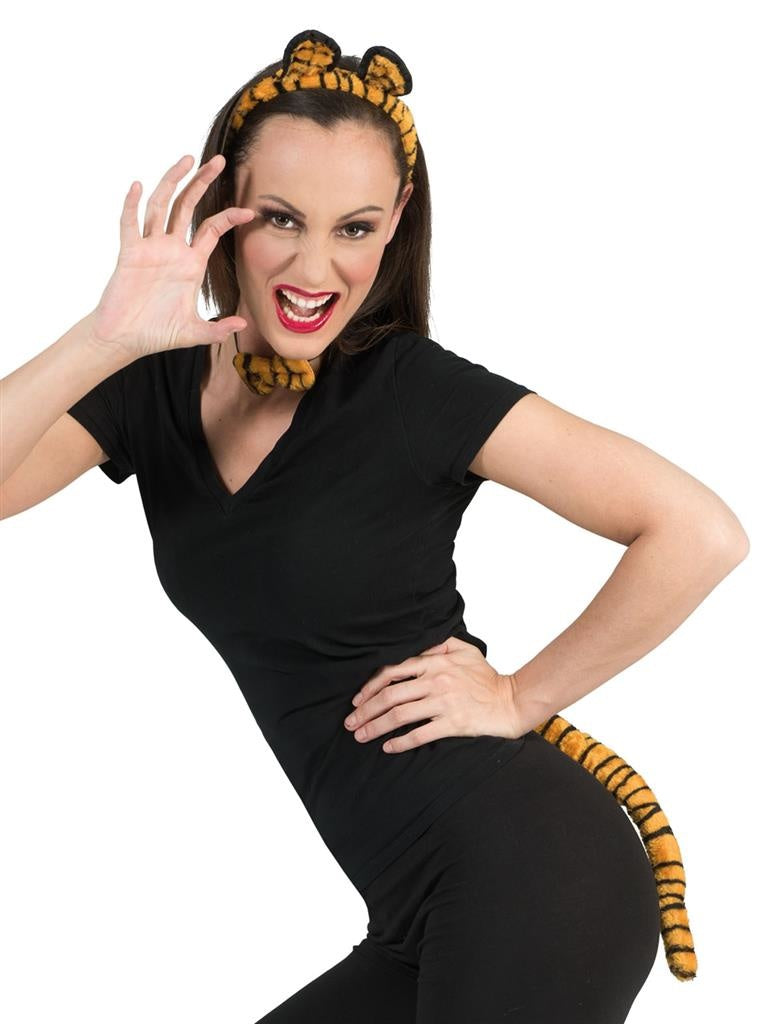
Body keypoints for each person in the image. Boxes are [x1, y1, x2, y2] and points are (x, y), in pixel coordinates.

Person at [0, 28, 749, 1024]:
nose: (315, 265)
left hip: (536, 879)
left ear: (394, 224)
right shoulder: (151, 385)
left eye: (353, 227)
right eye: (280, 218)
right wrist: (102, 338)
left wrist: (520, 694)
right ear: (222, 214)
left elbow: (697, 531)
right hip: (417, 912)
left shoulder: (411, 392)